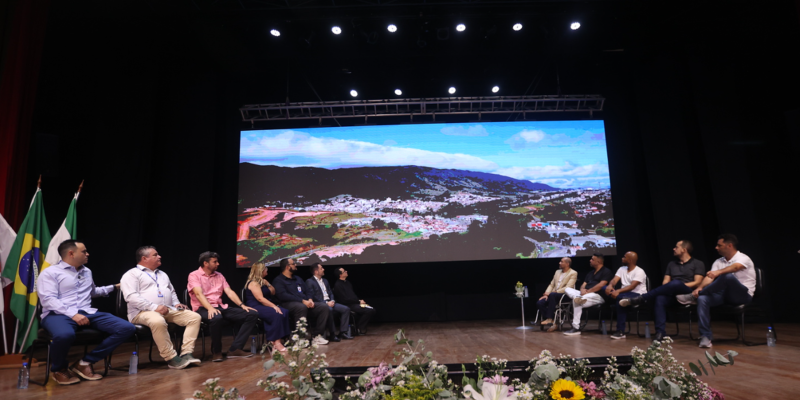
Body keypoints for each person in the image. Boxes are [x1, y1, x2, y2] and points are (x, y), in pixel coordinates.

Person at [37, 240, 135, 385]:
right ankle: (59, 369)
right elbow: (48, 299)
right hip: (57, 314)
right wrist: (72, 314)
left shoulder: (86, 271)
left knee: (127, 328)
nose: (87, 254)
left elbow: (93, 292)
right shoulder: (51, 273)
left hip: (87, 312)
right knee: (64, 335)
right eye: (84, 251)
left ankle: (84, 362)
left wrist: (114, 287)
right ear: (71, 253)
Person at [120, 246, 201, 369]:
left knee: (194, 317)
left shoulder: (163, 274)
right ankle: (171, 358)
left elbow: (171, 291)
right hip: (141, 312)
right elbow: (131, 297)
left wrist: (176, 304)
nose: (159, 256)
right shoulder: (131, 274)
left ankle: (186, 353)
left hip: (167, 310)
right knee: (157, 320)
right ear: (144, 258)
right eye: (155, 255)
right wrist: (154, 307)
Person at [677, 234, 755, 348]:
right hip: (724, 295)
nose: (716, 248)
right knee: (703, 299)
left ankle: (693, 297)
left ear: (729, 245)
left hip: (742, 295)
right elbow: (710, 277)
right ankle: (705, 336)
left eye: (719, 245)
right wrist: (699, 289)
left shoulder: (743, 258)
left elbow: (735, 268)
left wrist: (719, 272)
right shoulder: (719, 261)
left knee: (727, 277)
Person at [619, 240, 705, 341]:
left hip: (688, 292)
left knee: (676, 283)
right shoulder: (671, 264)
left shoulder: (697, 263)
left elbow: (697, 282)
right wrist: (672, 286)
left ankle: (643, 298)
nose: (674, 249)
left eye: (676, 247)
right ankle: (660, 333)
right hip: (672, 293)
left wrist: (677, 285)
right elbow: (665, 282)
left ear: (684, 250)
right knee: (660, 298)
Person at [188, 251, 258, 362]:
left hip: (220, 307)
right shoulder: (194, 275)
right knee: (216, 317)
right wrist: (210, 308)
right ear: (206, 263)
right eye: (214, 262)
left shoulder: (219, 275)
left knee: (252, 314)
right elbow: (198, 294)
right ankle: (216, 352)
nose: (218, 264)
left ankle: (235, 349)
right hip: (203, 308)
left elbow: (229, 291)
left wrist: (242, 305)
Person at [272, 258, 330, 346]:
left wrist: (310, 299)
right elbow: (283, 296)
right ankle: (300, 338)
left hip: (304, 303)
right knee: (300, 307)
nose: (296, 265)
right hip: (288, 304)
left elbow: (307, 291)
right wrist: (303, 301)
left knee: (323, 307)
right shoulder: (278, 281)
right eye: (293, 264)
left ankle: (317, 336)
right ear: (287, 267)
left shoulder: (298, 279)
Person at [562, 253, 614, 336]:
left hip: (598, 296)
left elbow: (601, 285)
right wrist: (582, 290)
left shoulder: (606, 271)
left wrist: (588, 291)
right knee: (567, 289)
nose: (590, 260)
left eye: (592, 259)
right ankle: (577, 297)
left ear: (599, 261)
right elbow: (583, 284)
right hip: (585, 295)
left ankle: (576, 328)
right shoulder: (590, 273)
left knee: (577, 300)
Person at [244, 262, 290, 353]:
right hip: (255, 306)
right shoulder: (253, 283)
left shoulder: (263, 282)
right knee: (277, 313)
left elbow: (273, 292)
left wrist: (267, 284)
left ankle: (276, 340)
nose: (267, 271)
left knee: (285, 311)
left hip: (264, 305)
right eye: (266, 269)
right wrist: (273, 306)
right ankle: (276, 342)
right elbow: (260, 299)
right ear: (261, 271)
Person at [605, 251, 648, 339]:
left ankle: (620, 331)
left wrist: (618, 292)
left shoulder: (640, 271)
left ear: (631, 260)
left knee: (620, 300)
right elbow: (614, 280)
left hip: (638, 295)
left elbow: (632, 286)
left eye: (625, 257)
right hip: (624, 294)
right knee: (604, 288)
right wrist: (610, 286)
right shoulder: (622, 269)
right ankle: (626, 301)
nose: (622, 258)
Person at [305, 263, 352, 342]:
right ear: (316, 271)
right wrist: (326, 303)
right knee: (328, 309)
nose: (323, 269)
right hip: (321, 304)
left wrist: (332, 300)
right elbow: (312, 296)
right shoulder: (310, 281)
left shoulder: (325, 280)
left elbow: (330, 292)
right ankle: (332, 334)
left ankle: (343, 332)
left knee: (346, 309)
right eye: (321, 268)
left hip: (330, 302)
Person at [536, 257, 578, 332]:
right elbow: (551, 284)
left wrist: (555, 292)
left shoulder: (573, 273)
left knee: (552, 295)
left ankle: (549, 319)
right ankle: (553, 321)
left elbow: (569, 287)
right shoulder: (557, 272)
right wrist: (546, 294)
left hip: (564, 295)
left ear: (567, 264)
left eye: (561, 262)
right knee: (540, 303)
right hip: (553, 295)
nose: (559, 263)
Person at [333, 267, 376, 335]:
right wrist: (358, 302)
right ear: (340, 275)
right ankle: (358, 328)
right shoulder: (338, 285)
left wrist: (359, 301)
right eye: (344, 271)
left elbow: (352, 296)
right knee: (369, 310)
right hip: (348, 305)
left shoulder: (348, 283)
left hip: (354, 303)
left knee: (371, 309)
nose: (346, 271)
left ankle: (358, 327)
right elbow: (344, 299)